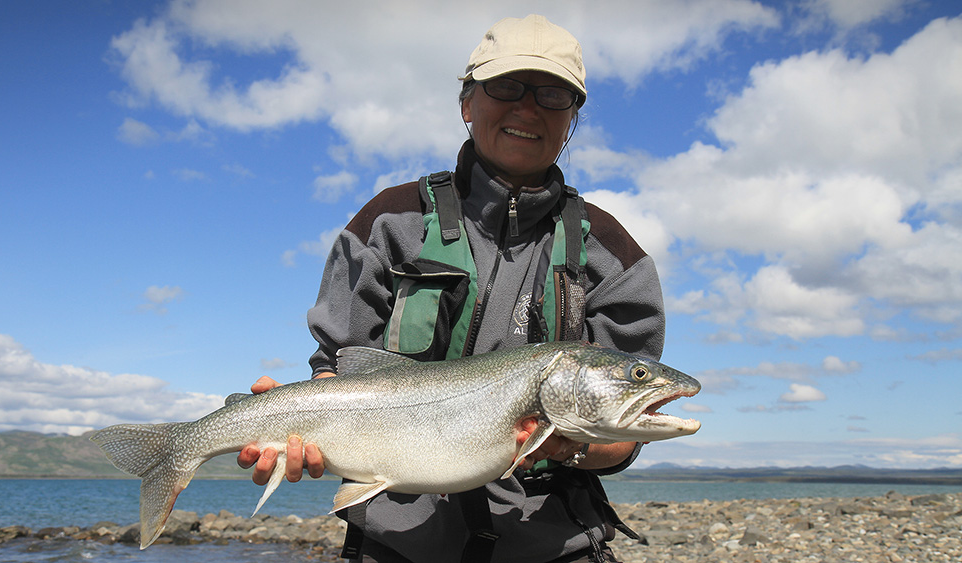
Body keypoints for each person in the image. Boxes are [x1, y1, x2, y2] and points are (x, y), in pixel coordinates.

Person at [238, 14, 665, 563]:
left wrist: (576, 447)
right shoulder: (389, 221)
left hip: (555, 545)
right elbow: (336, 366)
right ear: (467, 104)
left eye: (554, 95)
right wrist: (302, 421)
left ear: (572, 120)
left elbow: (624, 436)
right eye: (506, 87)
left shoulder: (614, 254)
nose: (528, 107)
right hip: (397, 543)